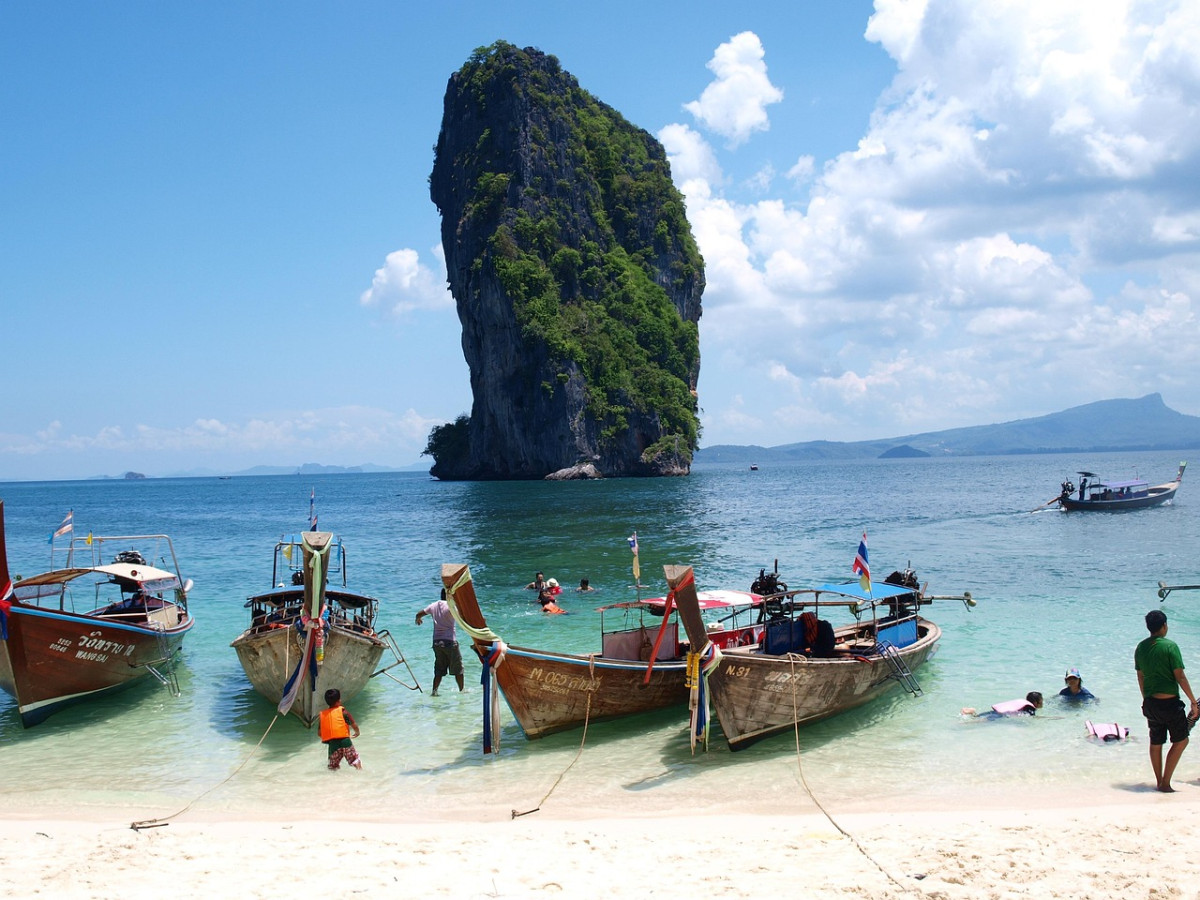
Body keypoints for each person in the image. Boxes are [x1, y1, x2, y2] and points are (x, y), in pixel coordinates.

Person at [1135, 609, 1199, 792]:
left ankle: (1159, 781)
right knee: (1181, 741)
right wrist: (1193, 701)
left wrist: (1146, 699)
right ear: (1164, 626)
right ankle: (1165, 782)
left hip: (1151, 703)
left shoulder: (1140, 647)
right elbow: (1180, 676)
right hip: (1170, 703)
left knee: (1156, 743)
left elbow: (1140, 676)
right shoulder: (1170, 646)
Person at [415, 589, 464, 696]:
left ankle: (434, 691)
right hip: (450, 642)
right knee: (458, 669)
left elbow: (419, 613)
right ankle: (462, 691)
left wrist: (418, 619)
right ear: (449, 596)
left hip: (437, 643)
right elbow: (463, 618)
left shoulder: (434, 605)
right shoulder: (451, 606)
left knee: (439, 670)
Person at [318, 688, 362, 771]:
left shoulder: (323, 715)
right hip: (345, 742)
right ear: (339, 701)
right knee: (354, 760)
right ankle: (360, 773)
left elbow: (319, 733)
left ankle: (334, 778)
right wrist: (357, 732)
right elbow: (353, 724)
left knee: (333, 766)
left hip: (333, 744)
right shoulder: (343, 712)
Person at [962, 691, 1044, 718]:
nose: (1042, 704)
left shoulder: (1024, 703)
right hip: (1000, 715)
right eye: (1041, 702)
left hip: (996, 712)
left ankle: (972, 712)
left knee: (977, 717)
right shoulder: (1030, 707)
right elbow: (1033, 718)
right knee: (979, 722)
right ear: (1035, 703)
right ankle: (969, 716)